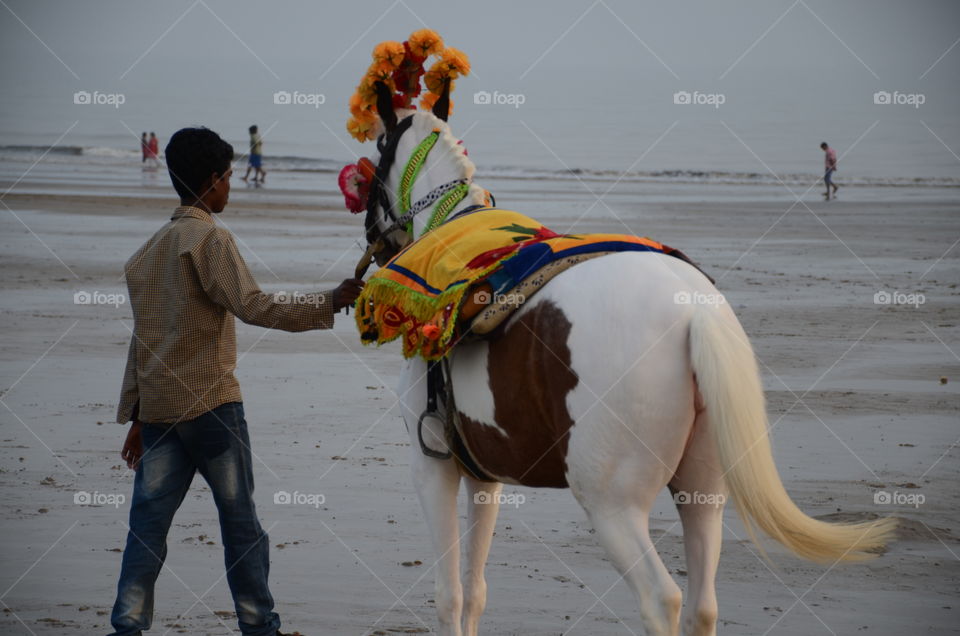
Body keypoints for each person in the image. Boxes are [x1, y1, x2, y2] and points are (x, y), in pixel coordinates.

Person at [108, 127, 364, 636]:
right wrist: (330, 300)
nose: (231, 187)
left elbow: (142, 342)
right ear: (211, 182)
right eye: (228, 178)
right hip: (211, 409)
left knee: (146, 530)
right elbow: (253, 305)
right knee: (241, 526)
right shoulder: (209, 239)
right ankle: (258, 626)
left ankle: (127, 625)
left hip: (159, 414)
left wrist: (136, 417)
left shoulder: (147, 252)